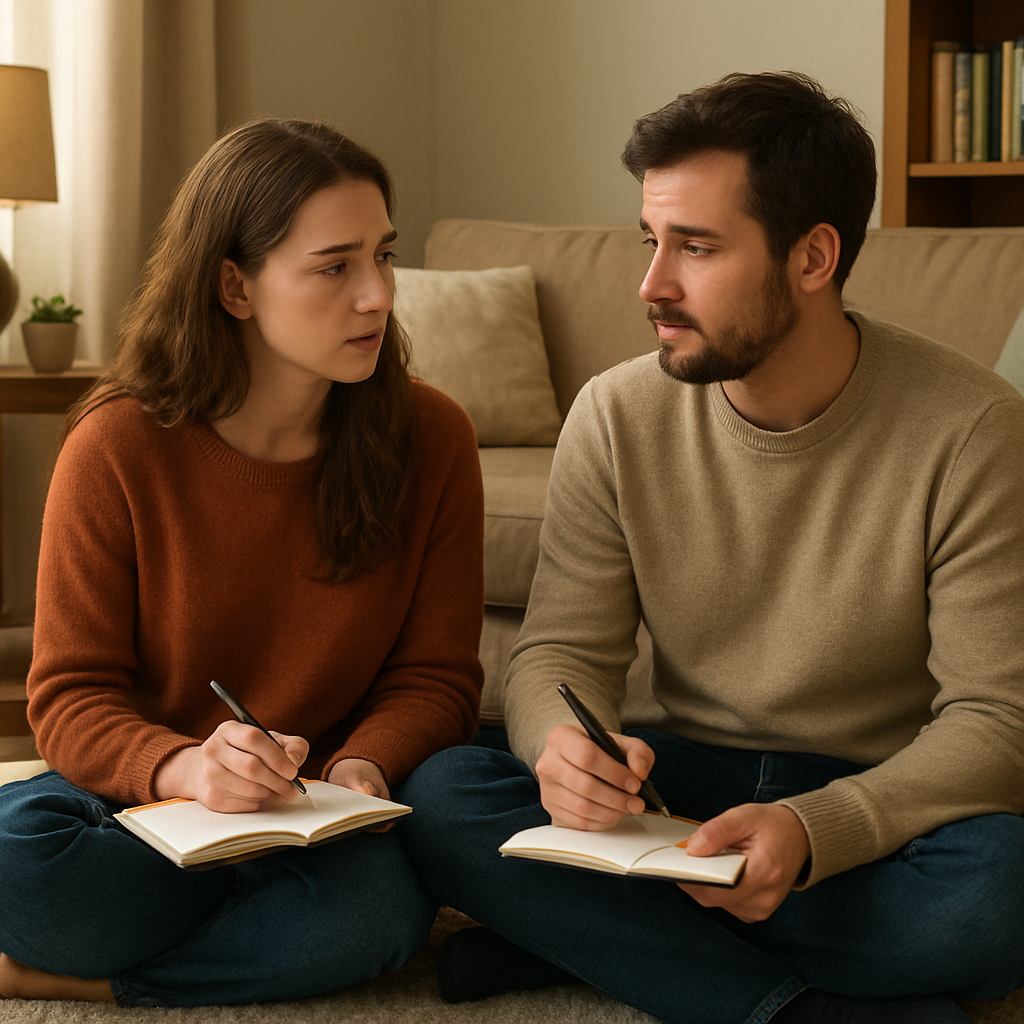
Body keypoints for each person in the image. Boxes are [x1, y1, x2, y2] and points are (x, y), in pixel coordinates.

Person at [398, 72, 1024, 1024]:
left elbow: (996, 722)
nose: (651, 285)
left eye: (695, 247)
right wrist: (565, 748)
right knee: (444, 795)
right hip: (681, 779)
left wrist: (815, 832)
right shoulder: (615, 413)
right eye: (652, 241)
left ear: (813, 257)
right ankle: (791, 1007)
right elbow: (560, 651)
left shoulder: (974, 428)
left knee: (997, 891)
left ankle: (588, 940)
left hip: (871, 794)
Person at [0, 118, 484, 1007]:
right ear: (234, 286)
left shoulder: (434, 437)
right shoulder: (116, 447)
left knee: (375, 915)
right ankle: (211, 942)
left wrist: (359, 770)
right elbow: (69, 699)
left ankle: (95, 981)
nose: (377, 295)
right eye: (336, 267)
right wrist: (188, 768)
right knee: (19, 858)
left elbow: (438, 676)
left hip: (320, 825)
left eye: (384, 256)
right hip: (143, 809)